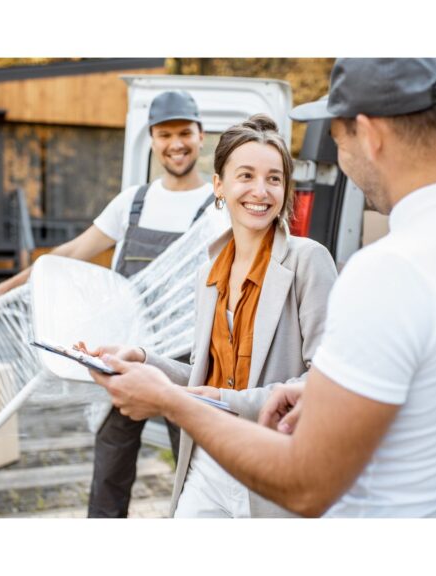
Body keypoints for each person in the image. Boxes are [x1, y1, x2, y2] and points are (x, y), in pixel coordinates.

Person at [90, 58, 436, 517]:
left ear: (369, 135)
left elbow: (306, 486)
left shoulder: (387, 271)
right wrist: (323, 391)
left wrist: (171, 401)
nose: (341, 159)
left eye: (336, 138)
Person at [0, 90, 218, 518]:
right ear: (153, 140)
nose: (175, 143)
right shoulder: (133, 202)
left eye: (184, 133)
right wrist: (2, 291)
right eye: (165, 134)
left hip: (186, 361)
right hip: (122, 357)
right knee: (109, 471)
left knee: (194, 475)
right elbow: (67, 256)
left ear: (200, 136)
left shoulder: (218, 207)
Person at [83, 114, 337, 517]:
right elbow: (204, 380)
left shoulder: (309, 261)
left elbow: (326, 383)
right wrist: (145, 360)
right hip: (209, 462)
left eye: (274, 178)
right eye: (246, 175)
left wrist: (224, 400)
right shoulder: (209, 273)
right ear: (219, 185)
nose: (261, 190)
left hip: (274, 466)